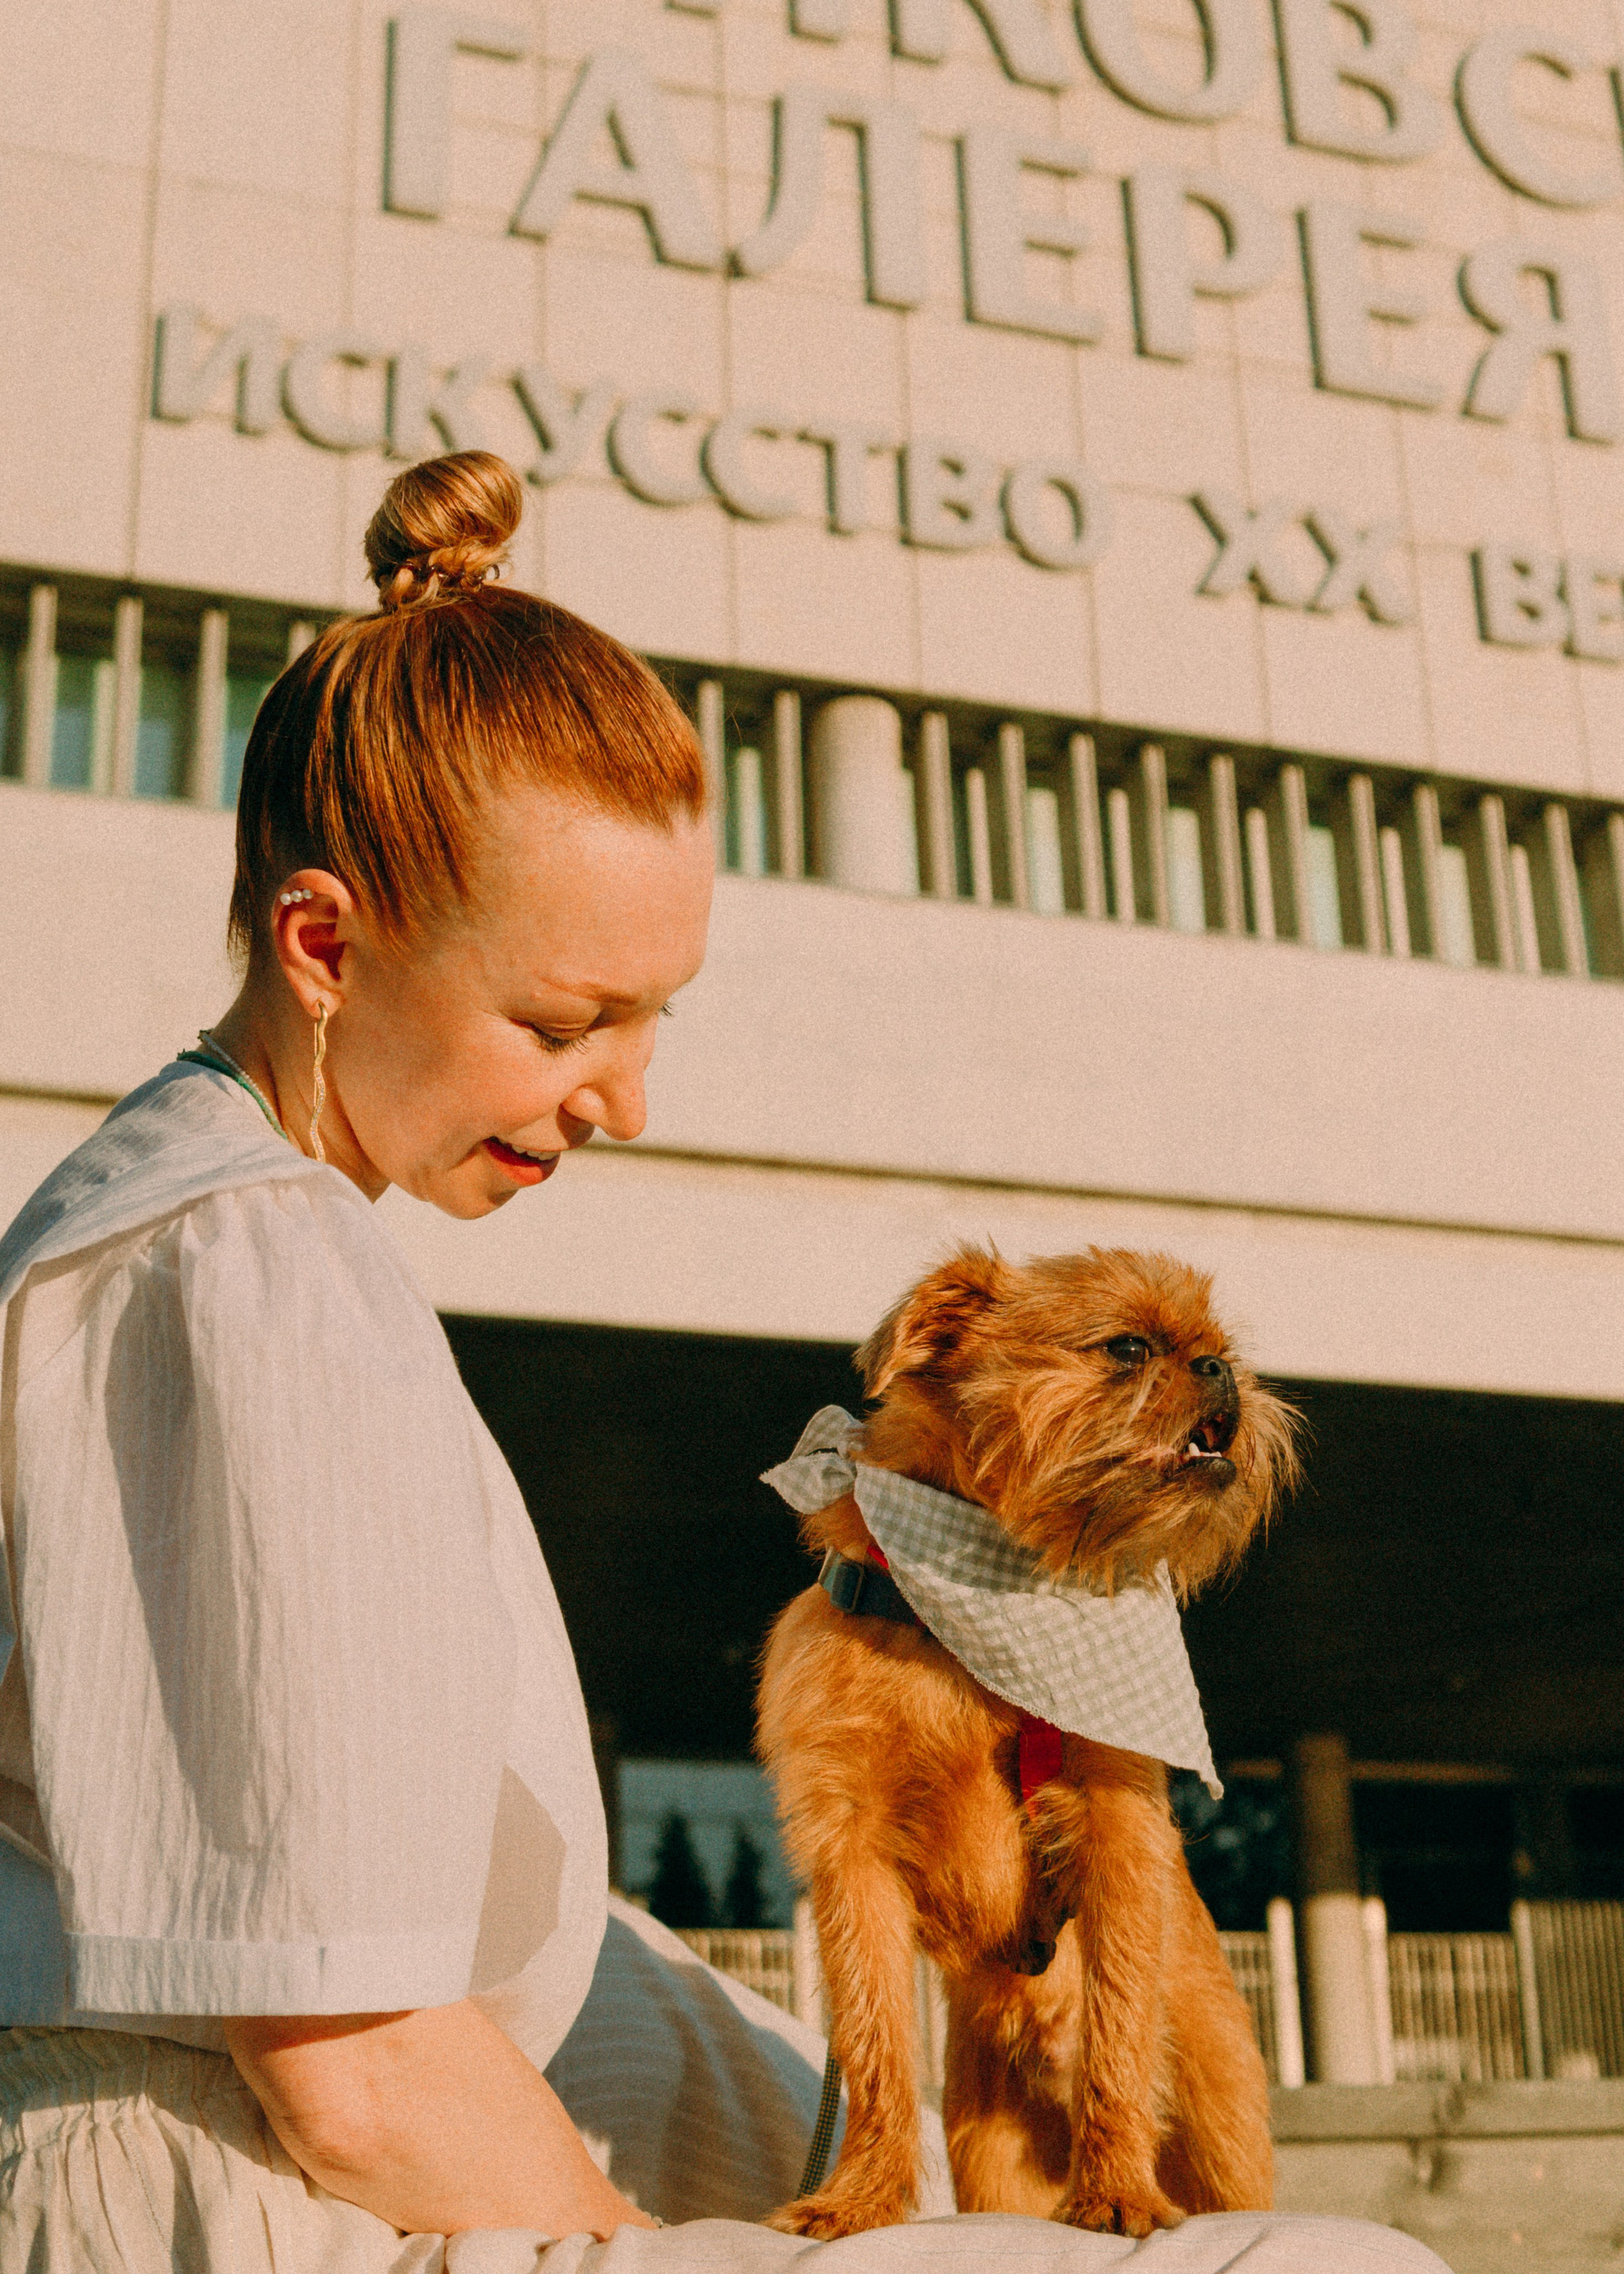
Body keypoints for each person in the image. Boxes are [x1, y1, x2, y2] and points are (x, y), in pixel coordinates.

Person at [0, 451, 1450, 2274]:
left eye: (653, 1017)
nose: (624, 1095)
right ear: (321, 942)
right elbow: (348, 2063)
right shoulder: (244, 1279)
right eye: (562, 1021)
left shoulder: (230, 1231)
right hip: (259, 2210)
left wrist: (837, 2117)